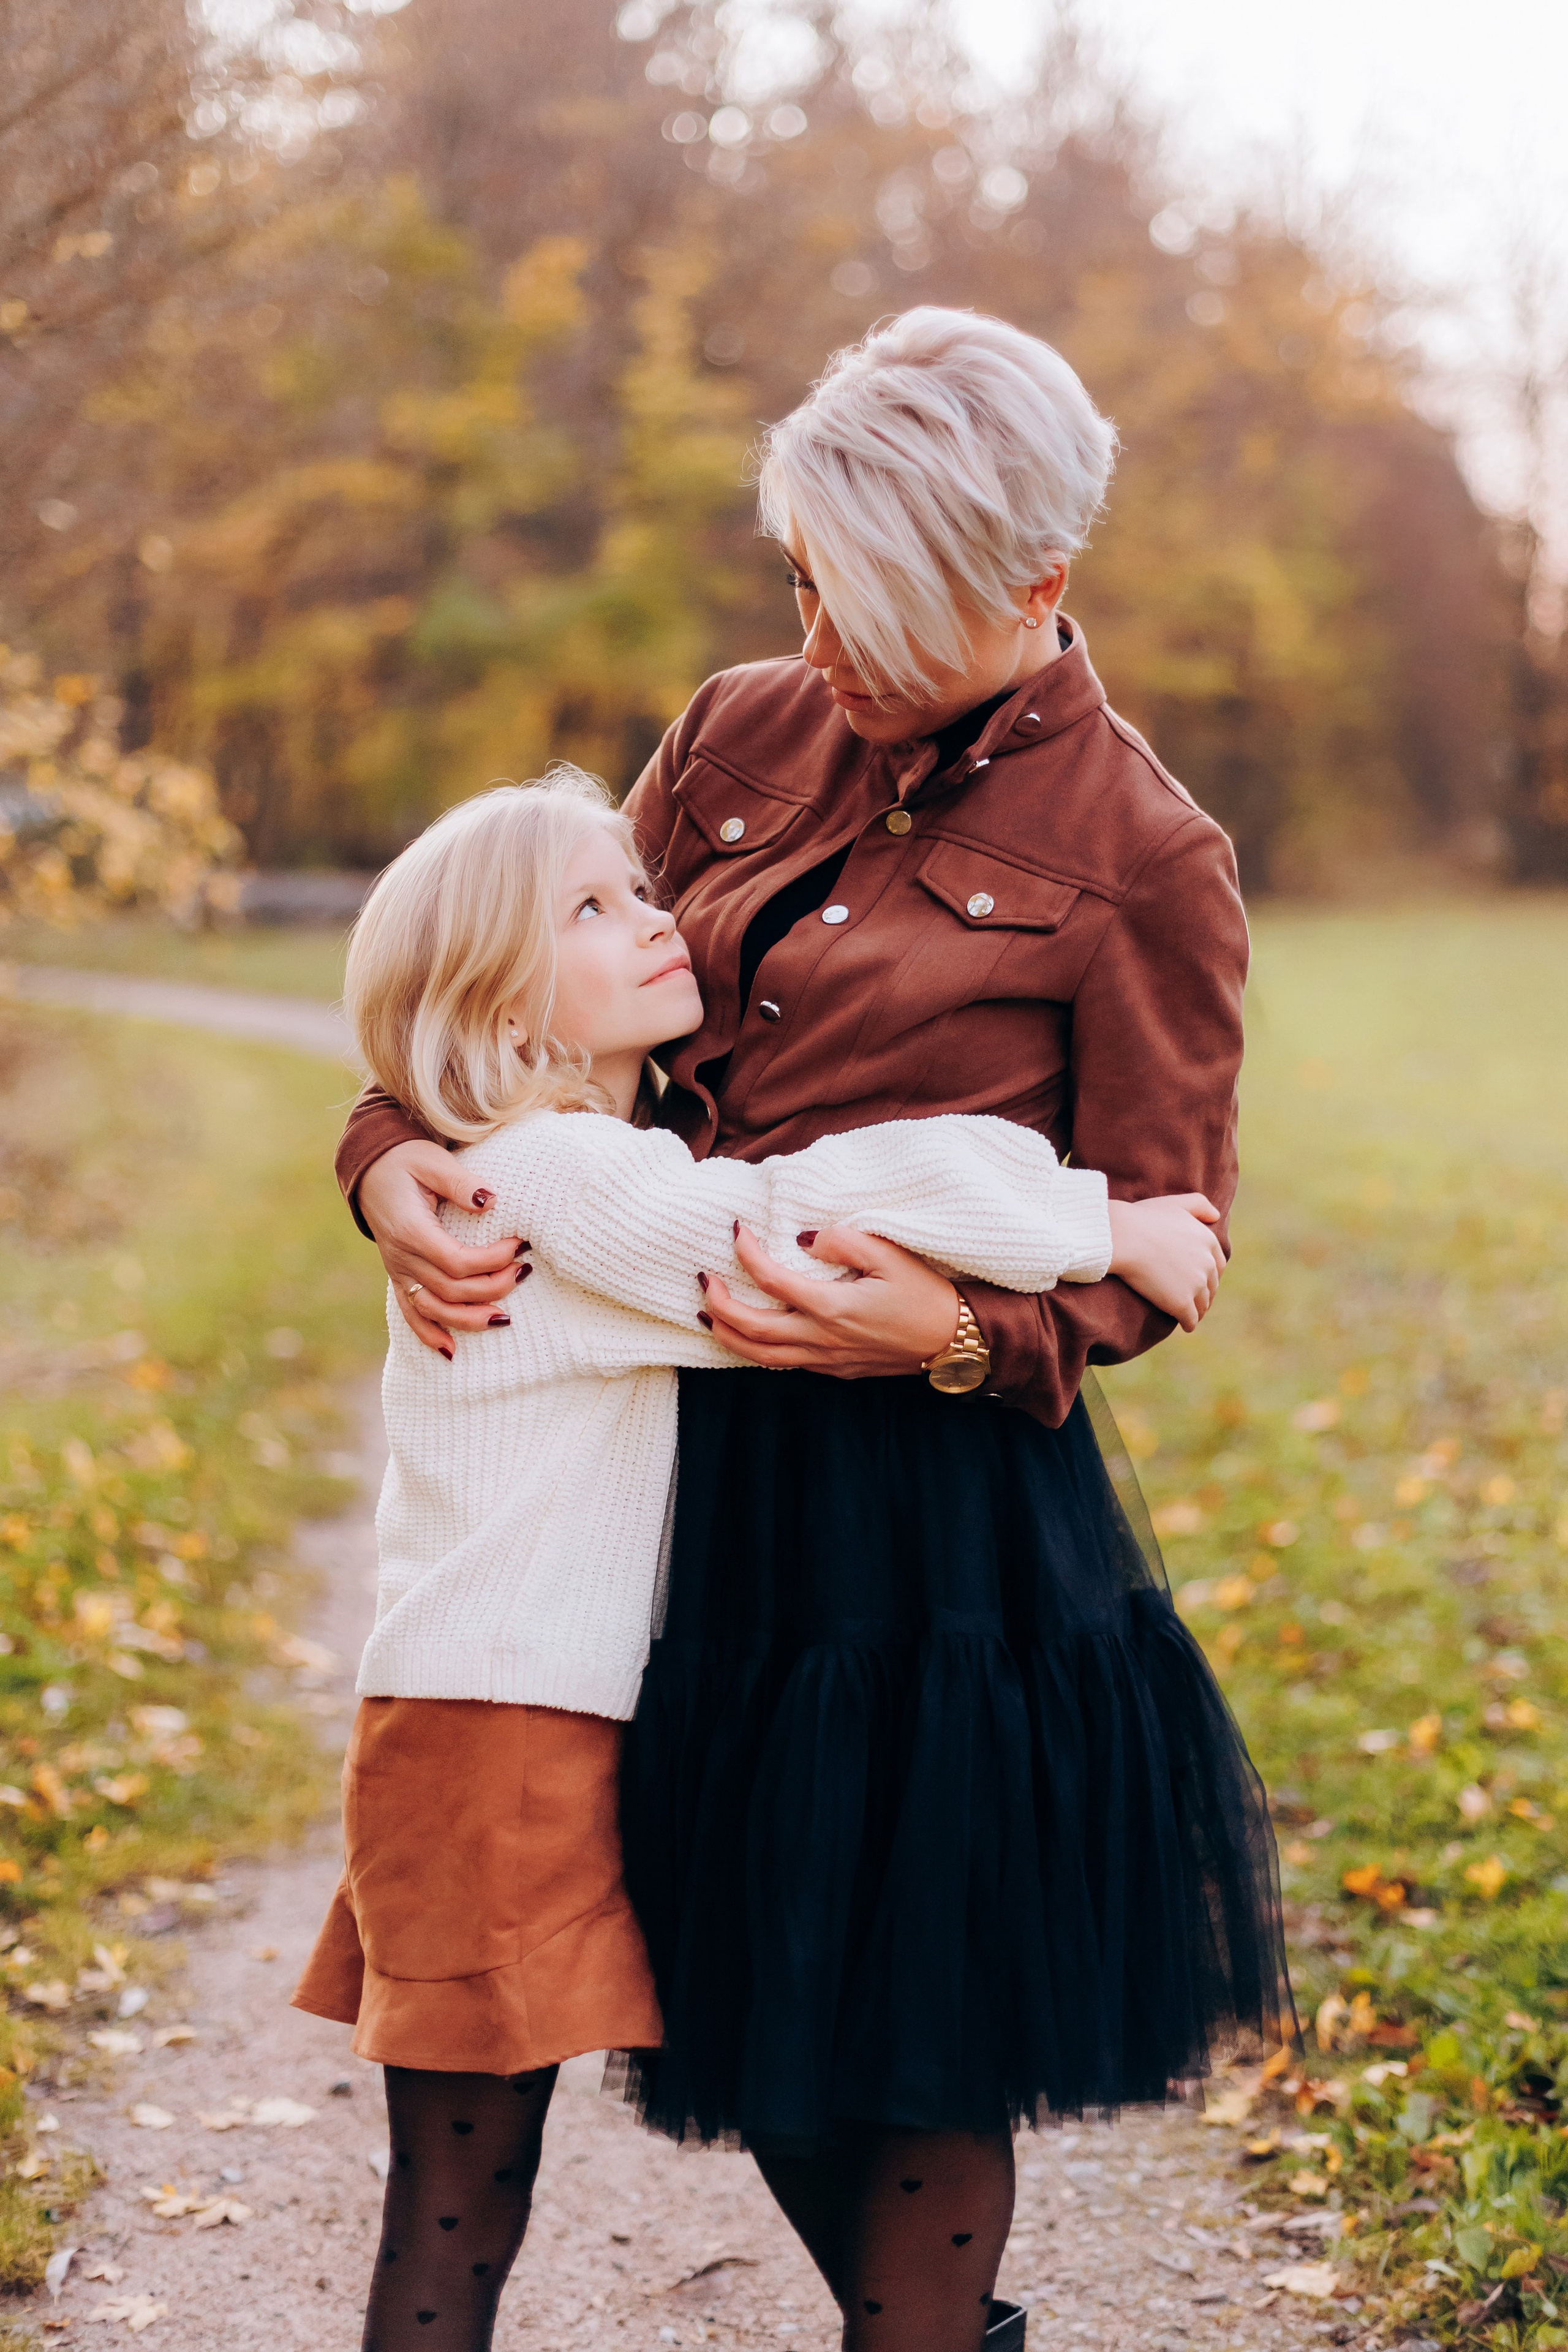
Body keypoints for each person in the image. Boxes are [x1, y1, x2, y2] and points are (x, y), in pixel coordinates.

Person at [334, 307, 1294, 2352]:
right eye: (803, 587)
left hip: (923, 1513)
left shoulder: (1151, 864)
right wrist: (385, 1156)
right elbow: (523, 1002)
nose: (826, 648)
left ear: (1034, 589)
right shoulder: (740, 732)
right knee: (738, 1974)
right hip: (664, 1456)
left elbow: (1153, 1248)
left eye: (875, 606)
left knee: (912, 2014)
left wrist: (944, 1338)